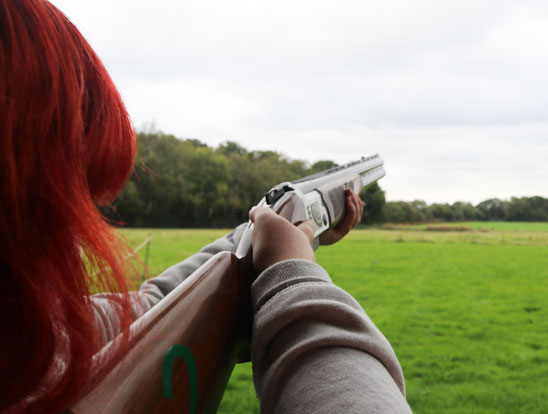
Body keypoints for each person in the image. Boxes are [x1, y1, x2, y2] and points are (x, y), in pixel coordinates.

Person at [0, 1, 412, 413]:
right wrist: (294, 275)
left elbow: (152, 306)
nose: (76, 238)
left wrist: (272, 238)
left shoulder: (27, 345)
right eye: (69, 207)